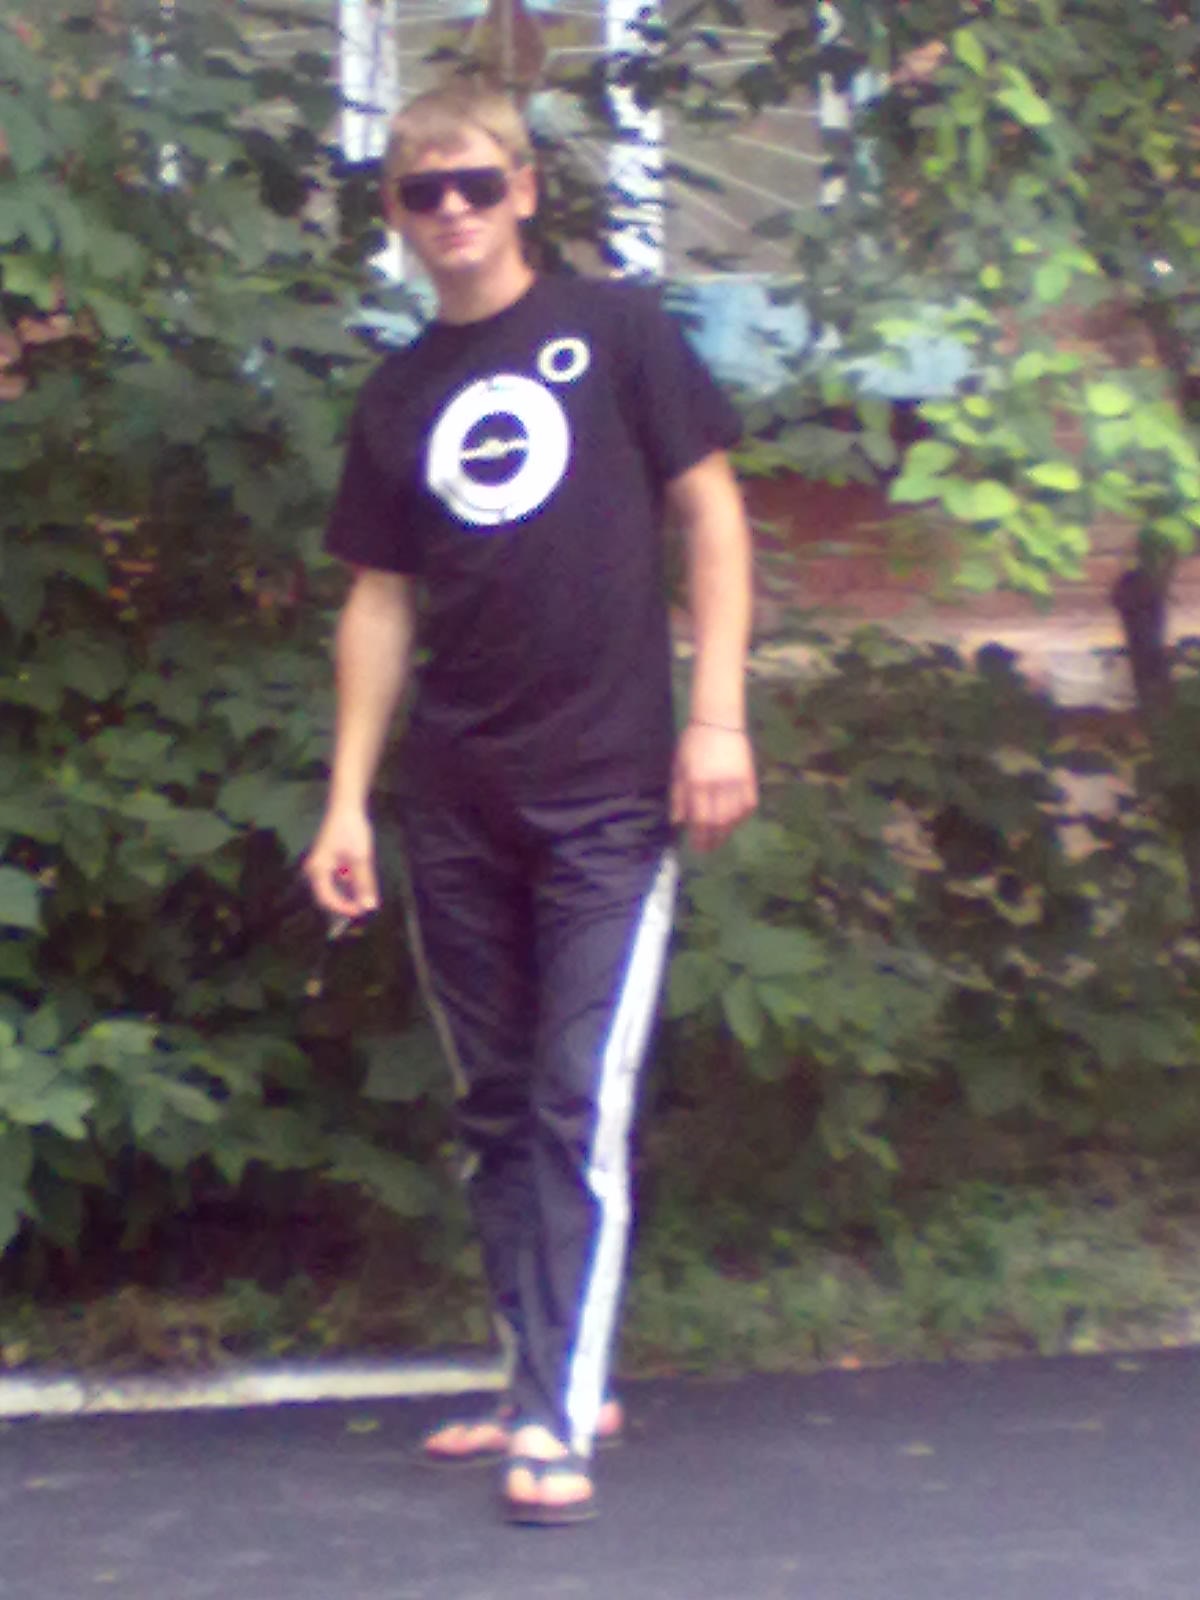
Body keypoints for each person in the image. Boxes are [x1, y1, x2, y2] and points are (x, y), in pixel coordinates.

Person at [304, 78, 758, 1526]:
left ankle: (560, 1415)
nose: (451, 211)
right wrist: (345, 803)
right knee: (496, 1103)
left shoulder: (613, 333)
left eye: (476, 184)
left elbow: (714, 515)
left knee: (575, 1097)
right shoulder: (398, 395)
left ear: (525, 190)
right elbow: (378, 604)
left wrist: (718, 716)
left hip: (608, 795)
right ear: (395, 212)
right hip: (454, 802)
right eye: (421, 190)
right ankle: (539, 1374)